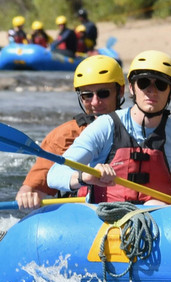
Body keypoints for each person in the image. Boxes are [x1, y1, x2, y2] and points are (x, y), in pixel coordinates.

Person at [47, 50, 171, 206]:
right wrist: (84, 177)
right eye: (144, 83)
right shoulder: (105, 126)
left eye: (160, 85)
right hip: (106, 214)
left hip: (158, 214)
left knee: (154, 203)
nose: (151, 91)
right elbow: (54, 174)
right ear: (131, 88)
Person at [15, 55, 124, 210]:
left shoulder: (140, 127)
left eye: (103, 93)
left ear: (120, 91)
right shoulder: (65, 135)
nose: (95, 102)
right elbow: (33, 187)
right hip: (82, 211)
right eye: (87, 95)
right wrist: (27, 195)